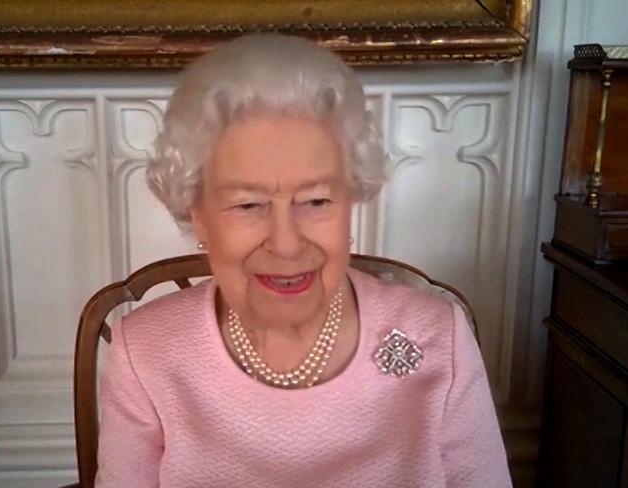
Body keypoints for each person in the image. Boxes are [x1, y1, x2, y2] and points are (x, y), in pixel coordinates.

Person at [94, 33, 511, 487]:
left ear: (350, 199)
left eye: (315, 201)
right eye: (247, 205)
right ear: (199, 217)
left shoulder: (438, 339)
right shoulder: (146, 351)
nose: (287, 244)